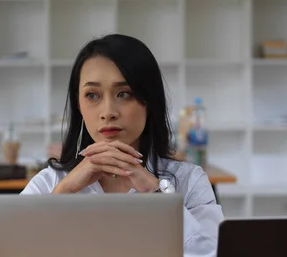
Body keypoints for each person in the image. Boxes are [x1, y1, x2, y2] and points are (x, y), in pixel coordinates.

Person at [20, 34, 224, 257]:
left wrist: (157, 196)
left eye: (124, 93)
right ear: (78, 105)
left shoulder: (190, 181)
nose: (108, 112)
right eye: (92, 95)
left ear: (150, 100)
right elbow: (8, 249)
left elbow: (212, 253)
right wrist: (64, 192)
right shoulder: (48, 183)